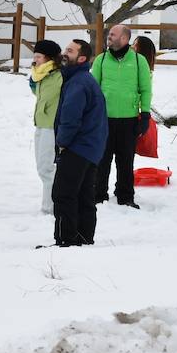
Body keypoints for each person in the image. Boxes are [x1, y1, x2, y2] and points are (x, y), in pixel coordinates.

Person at [51, 40, 108, 247]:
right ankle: (84, 238)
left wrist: (62, 143)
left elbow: (70, 118)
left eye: (70, 51)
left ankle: (66, 239)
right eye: (65, 49)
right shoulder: (83, 79)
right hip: (90, 148)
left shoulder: (78, 82)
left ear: (82, 58)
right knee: (84, 196)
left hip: (77, 147)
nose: (65, 53)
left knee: (63, 194)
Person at [92, 24, 153, 210]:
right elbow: (93, 89)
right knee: (102, 159)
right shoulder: (101, 60)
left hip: (129, 119)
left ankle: (125, 196)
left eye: (113, 34)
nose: (108, 37)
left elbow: (145, 88)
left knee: (125, 161)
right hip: (104, 120)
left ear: (124, 39)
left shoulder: (138, 60)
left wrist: (145, 114)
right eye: (109, 34)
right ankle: (98, 195)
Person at [29, 40, 64, 215]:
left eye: (38, 56)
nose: (35, 60)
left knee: (47, 168)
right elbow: (40, 95)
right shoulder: (39, 74)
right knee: (41, 167)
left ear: (49, 58)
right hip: (41, 123)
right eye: (34, 56)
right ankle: (51, 204)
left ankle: (50, 207)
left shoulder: (58, 75)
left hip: (52, 126)